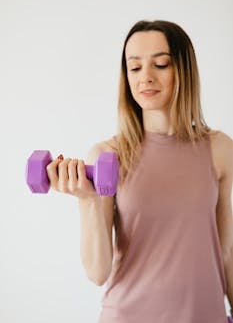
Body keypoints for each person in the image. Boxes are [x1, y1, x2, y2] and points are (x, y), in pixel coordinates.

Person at [46, 20, 233, 323]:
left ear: (183, 70)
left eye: (160, 64)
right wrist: (87, 200)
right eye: (134, 68)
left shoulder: (220, 150)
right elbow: (97, 272)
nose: (145, 77)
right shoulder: (109, 155)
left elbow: (226, 251)